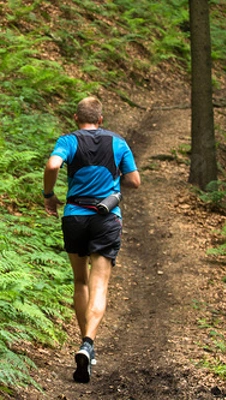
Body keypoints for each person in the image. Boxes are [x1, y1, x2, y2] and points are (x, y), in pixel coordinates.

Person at [42, 96, 141, 383]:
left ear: (76, 118)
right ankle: (88, 343)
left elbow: (52, 166)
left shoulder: (69, 140)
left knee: (80, 281)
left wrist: (49, 196)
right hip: (106, 218)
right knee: (99, 284)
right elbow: (134, 181)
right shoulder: (117, 143)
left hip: (74, 217)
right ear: (100, 119)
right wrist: (112, 180)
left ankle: (86, 345)